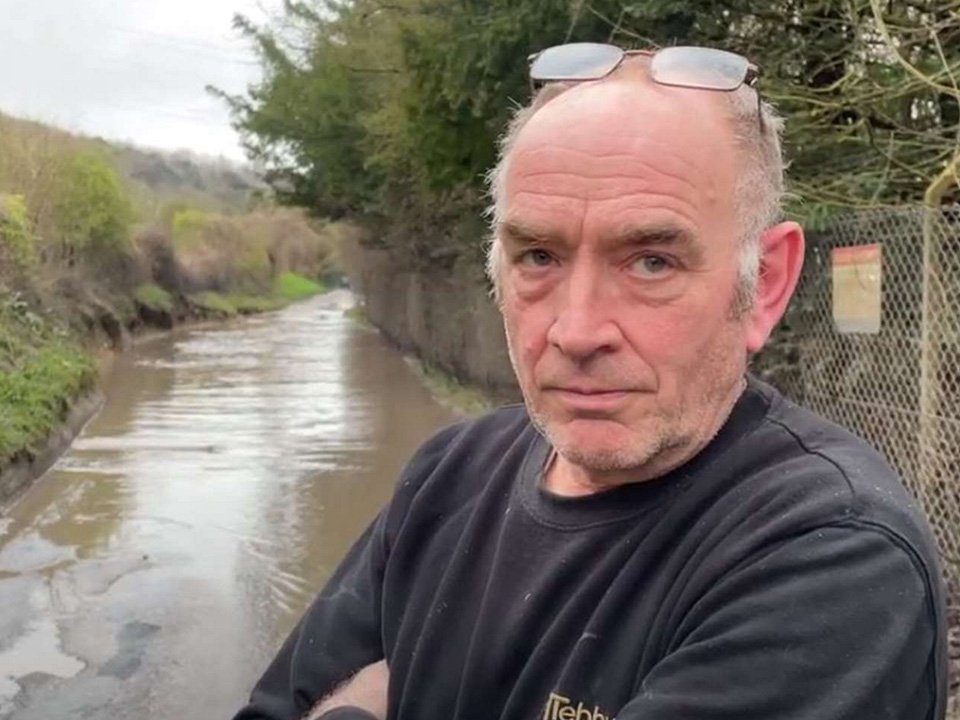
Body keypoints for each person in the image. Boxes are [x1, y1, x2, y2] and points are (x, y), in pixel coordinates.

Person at [233, 44, 948, 720]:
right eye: (538, 255)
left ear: (764, 284)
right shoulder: (445, 476)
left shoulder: (832, 556)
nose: (576, 331)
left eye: (651, 263)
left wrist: (353, 705)